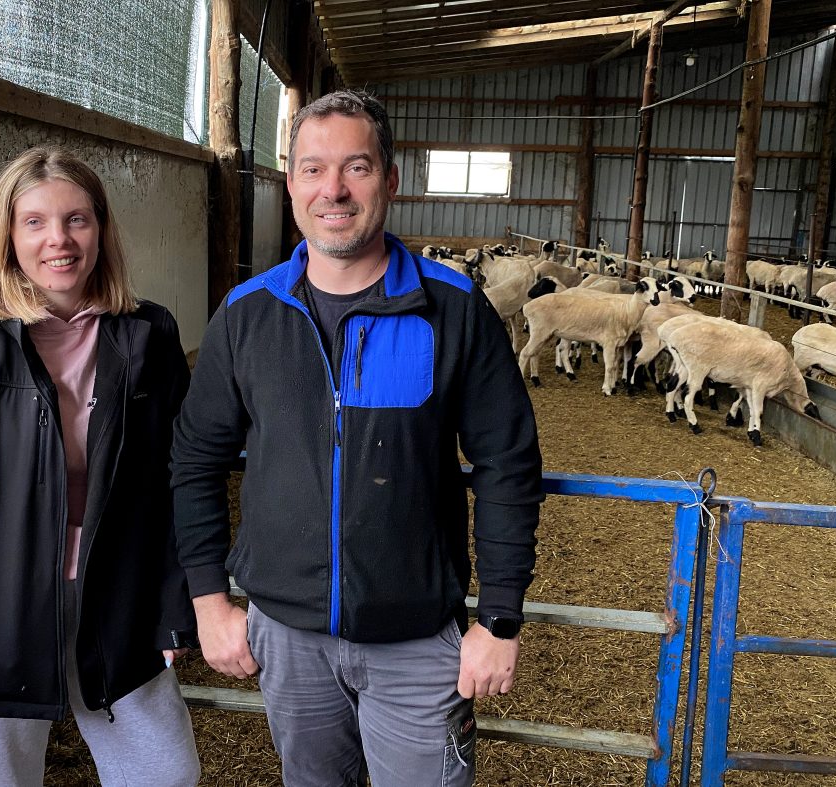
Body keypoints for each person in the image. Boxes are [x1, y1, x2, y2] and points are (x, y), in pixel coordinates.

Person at [171, 90, 544, 786]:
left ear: (391, 179)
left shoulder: (454, 309)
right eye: (312, 169)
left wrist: (499, 615)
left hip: (417, 640)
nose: (333, 189)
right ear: (291, 184)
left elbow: (507, 464)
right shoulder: (247, 316)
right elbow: (195, 457)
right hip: (285, 634)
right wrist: (208, 597)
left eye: (357, 167)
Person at [0, 146, 201, 786]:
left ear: (101, 230)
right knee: (6, 780)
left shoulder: (148, 335)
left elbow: (173, 484)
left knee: (166, 774)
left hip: (119, 600)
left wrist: (173, 605)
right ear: (7, 235)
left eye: (77, 219)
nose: (60, 240)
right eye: (35, 222)